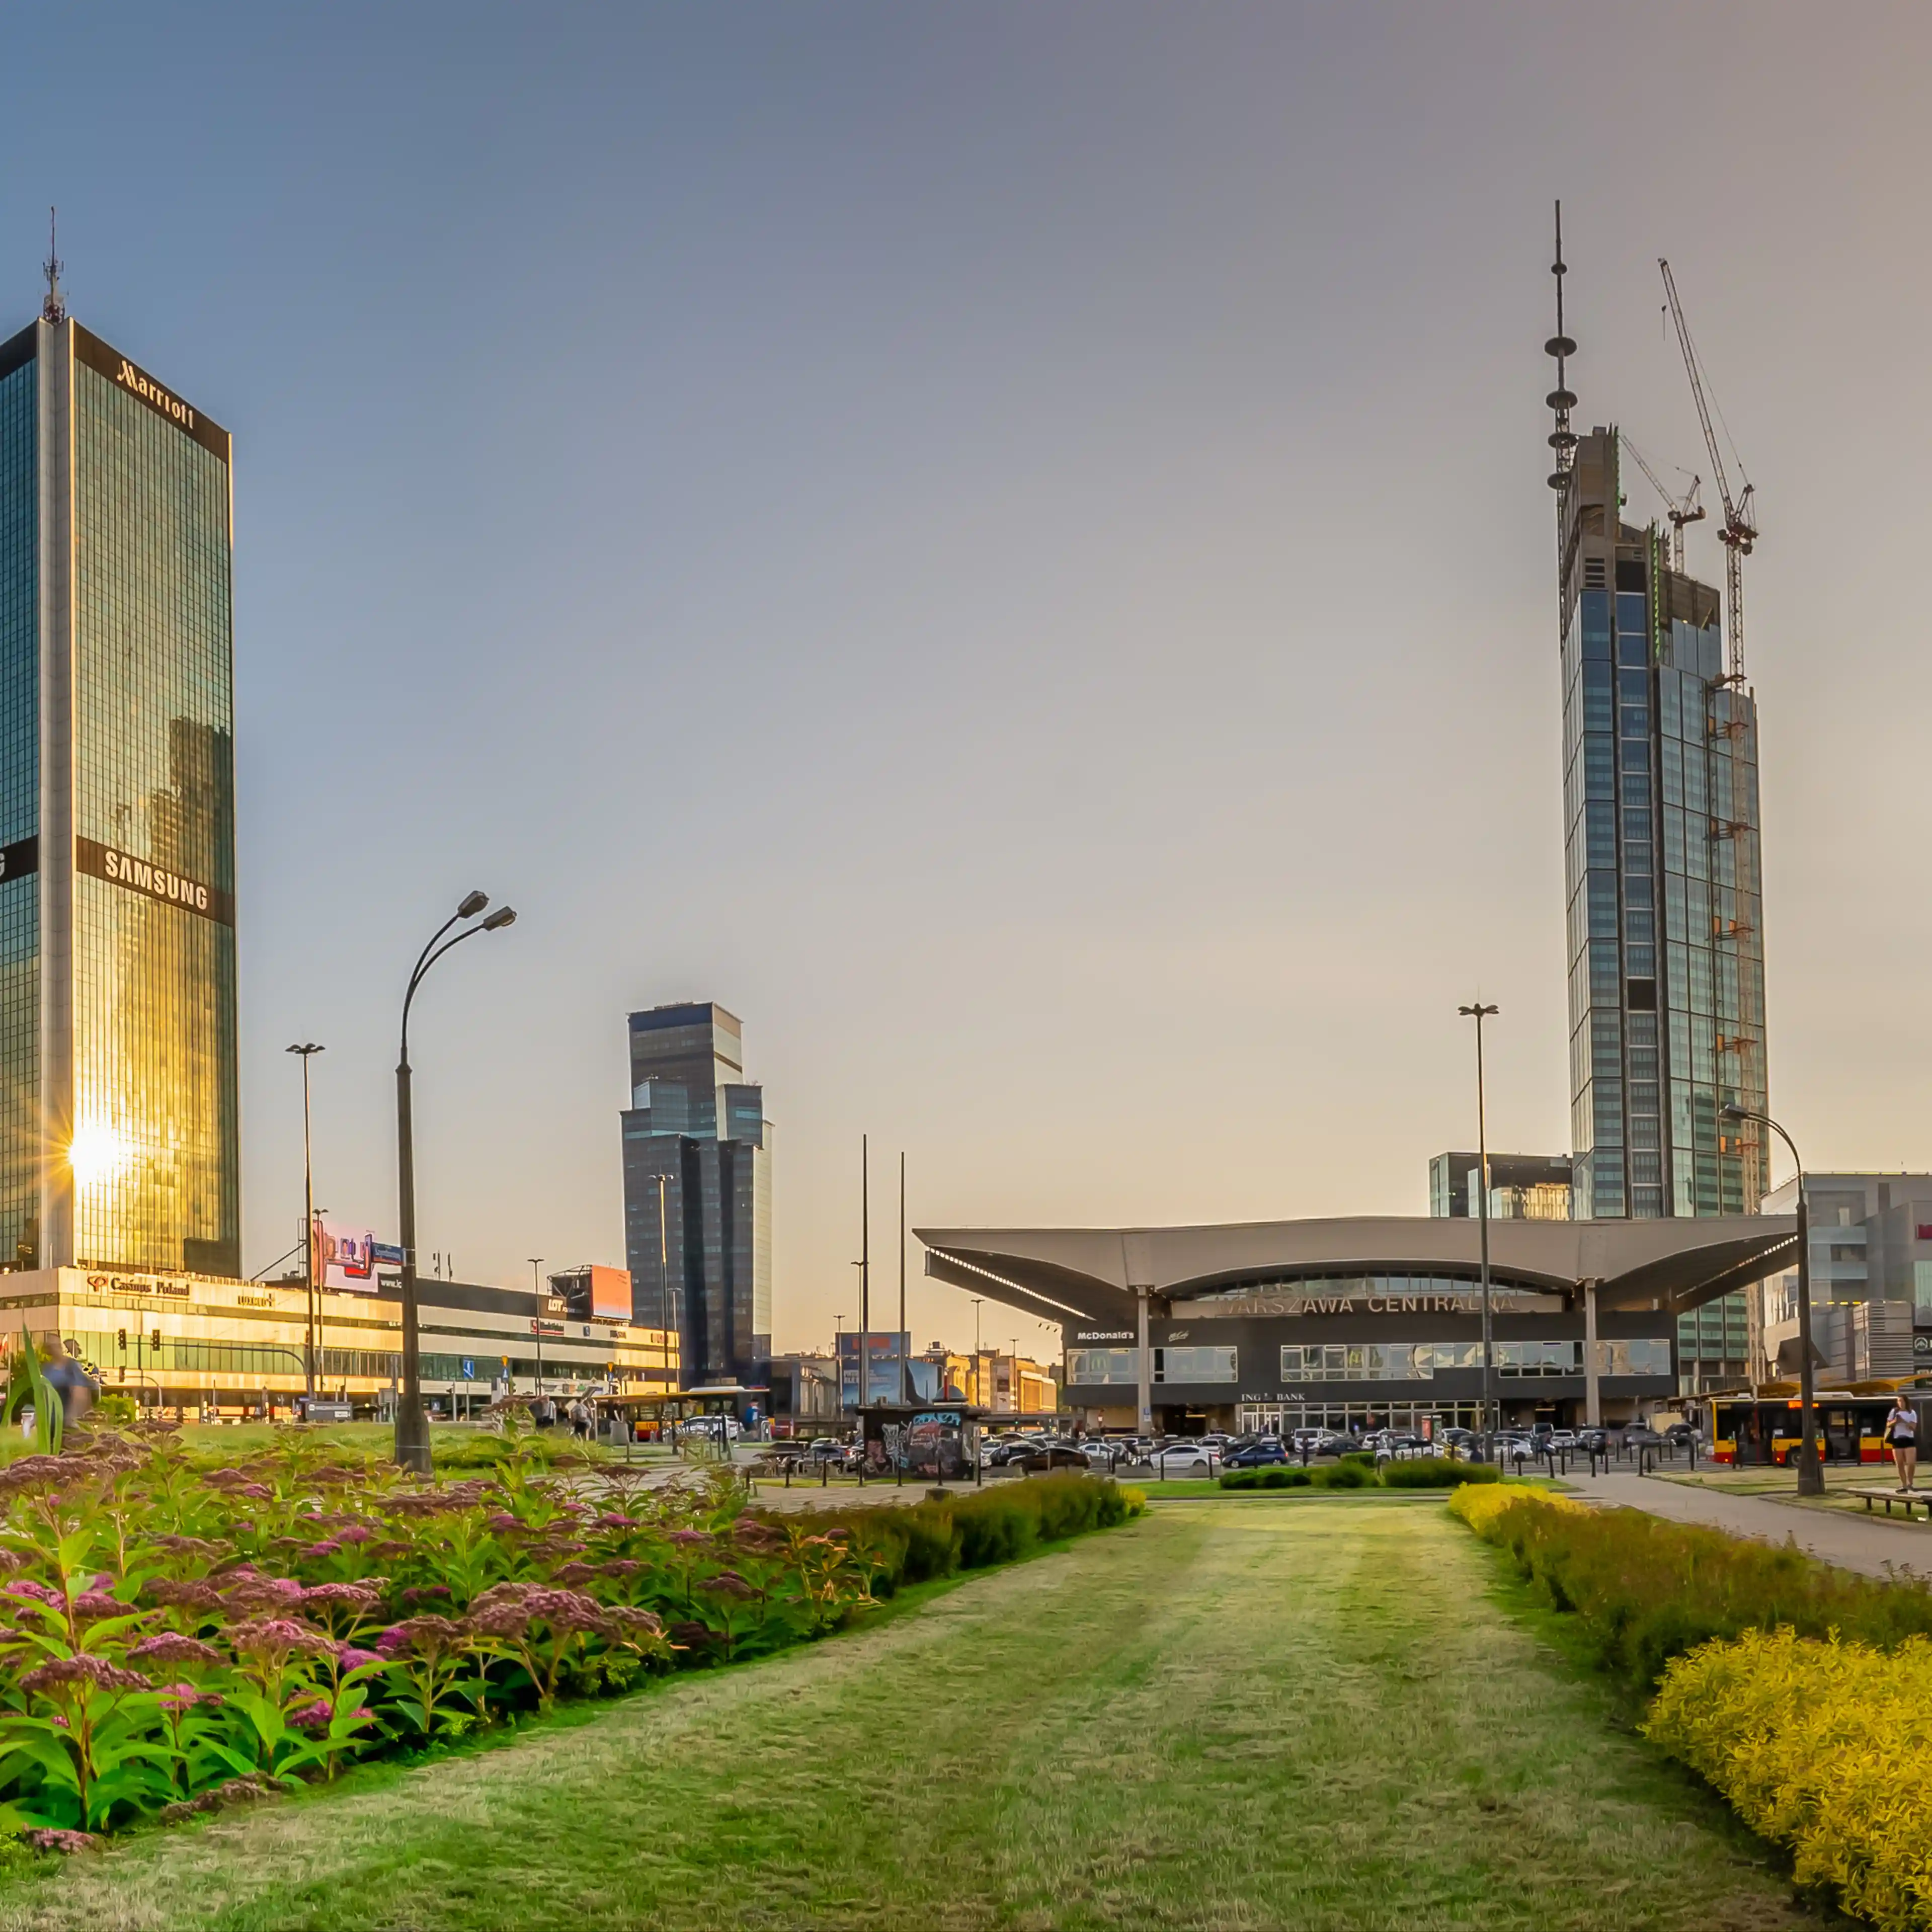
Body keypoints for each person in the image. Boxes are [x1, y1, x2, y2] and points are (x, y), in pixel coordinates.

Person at [1885, 1393, 1918, 1493]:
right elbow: (1888, 1425)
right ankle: (1904, 1485)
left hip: (1909, 1439)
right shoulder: (1894, 1412)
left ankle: (1910, 1483)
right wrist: (1896, 1421)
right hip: (1897, 1439)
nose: (1901, 1403)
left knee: (1911, 1463)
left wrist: (1903, 1421)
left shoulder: (1911, 1413)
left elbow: (1913, 1427)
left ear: (1906, 1402)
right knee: (1900, 1464)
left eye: (1902, 1401)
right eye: (1899, 1401)